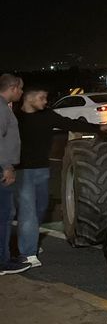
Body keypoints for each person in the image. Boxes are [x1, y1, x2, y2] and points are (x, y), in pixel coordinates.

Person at [15, 85, 107, 268]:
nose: (45, 101)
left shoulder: (47, 115)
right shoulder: (16, 119)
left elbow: (70, 123)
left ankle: (31, 243)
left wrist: (99, 127)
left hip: (42, 169)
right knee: (28, 213)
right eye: (42, 98)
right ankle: (27, 254)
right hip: (23, 171)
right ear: (29, 98)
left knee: (40, 208)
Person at [0, 74, 28, 276]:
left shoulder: (4, 107)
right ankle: (3, 261)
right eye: (20, 88)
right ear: (12, 88)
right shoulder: (1, 109)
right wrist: (6, 166)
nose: (22, 92)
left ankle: (5, 255)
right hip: (2, 169)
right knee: (4, 215)